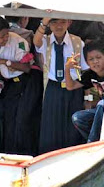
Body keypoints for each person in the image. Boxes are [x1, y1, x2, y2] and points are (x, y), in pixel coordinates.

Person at [0, 15, 42, 156]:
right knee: (10, 120)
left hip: (29, 81)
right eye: (2, 36)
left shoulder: (18, 41)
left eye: (7, 34)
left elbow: (26, 68)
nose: (6, 38)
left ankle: (28, 154)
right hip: (11, 84)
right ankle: (10, 154)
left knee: (23, 119)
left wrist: (2, 61)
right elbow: (1, 76)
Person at [34, 15, 89, 154]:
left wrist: (88, 96)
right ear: (49, 25)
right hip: (53, 87)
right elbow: (36, 41)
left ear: (69, 22)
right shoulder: (46, 41)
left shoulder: (77, 42)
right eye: (54, 22)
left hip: (73, 88)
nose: (58, 26)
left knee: (71, 126)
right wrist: (44, 21)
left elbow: (85, 70)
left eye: (62, 22)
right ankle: (48, 155)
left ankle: (70, 155)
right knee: (51, 124)